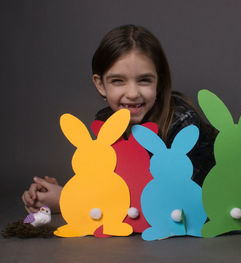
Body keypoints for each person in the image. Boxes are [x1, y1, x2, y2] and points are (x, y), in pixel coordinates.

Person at [21, 24, 216, 214]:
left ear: (159, 82)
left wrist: (68, 200)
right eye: (118, 81)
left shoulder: (183, 124)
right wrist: (66, 191)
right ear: (100, 85)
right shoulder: (108, 123)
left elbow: (180, 204)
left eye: (144, 80)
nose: (132, 93)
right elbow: (111, 184)